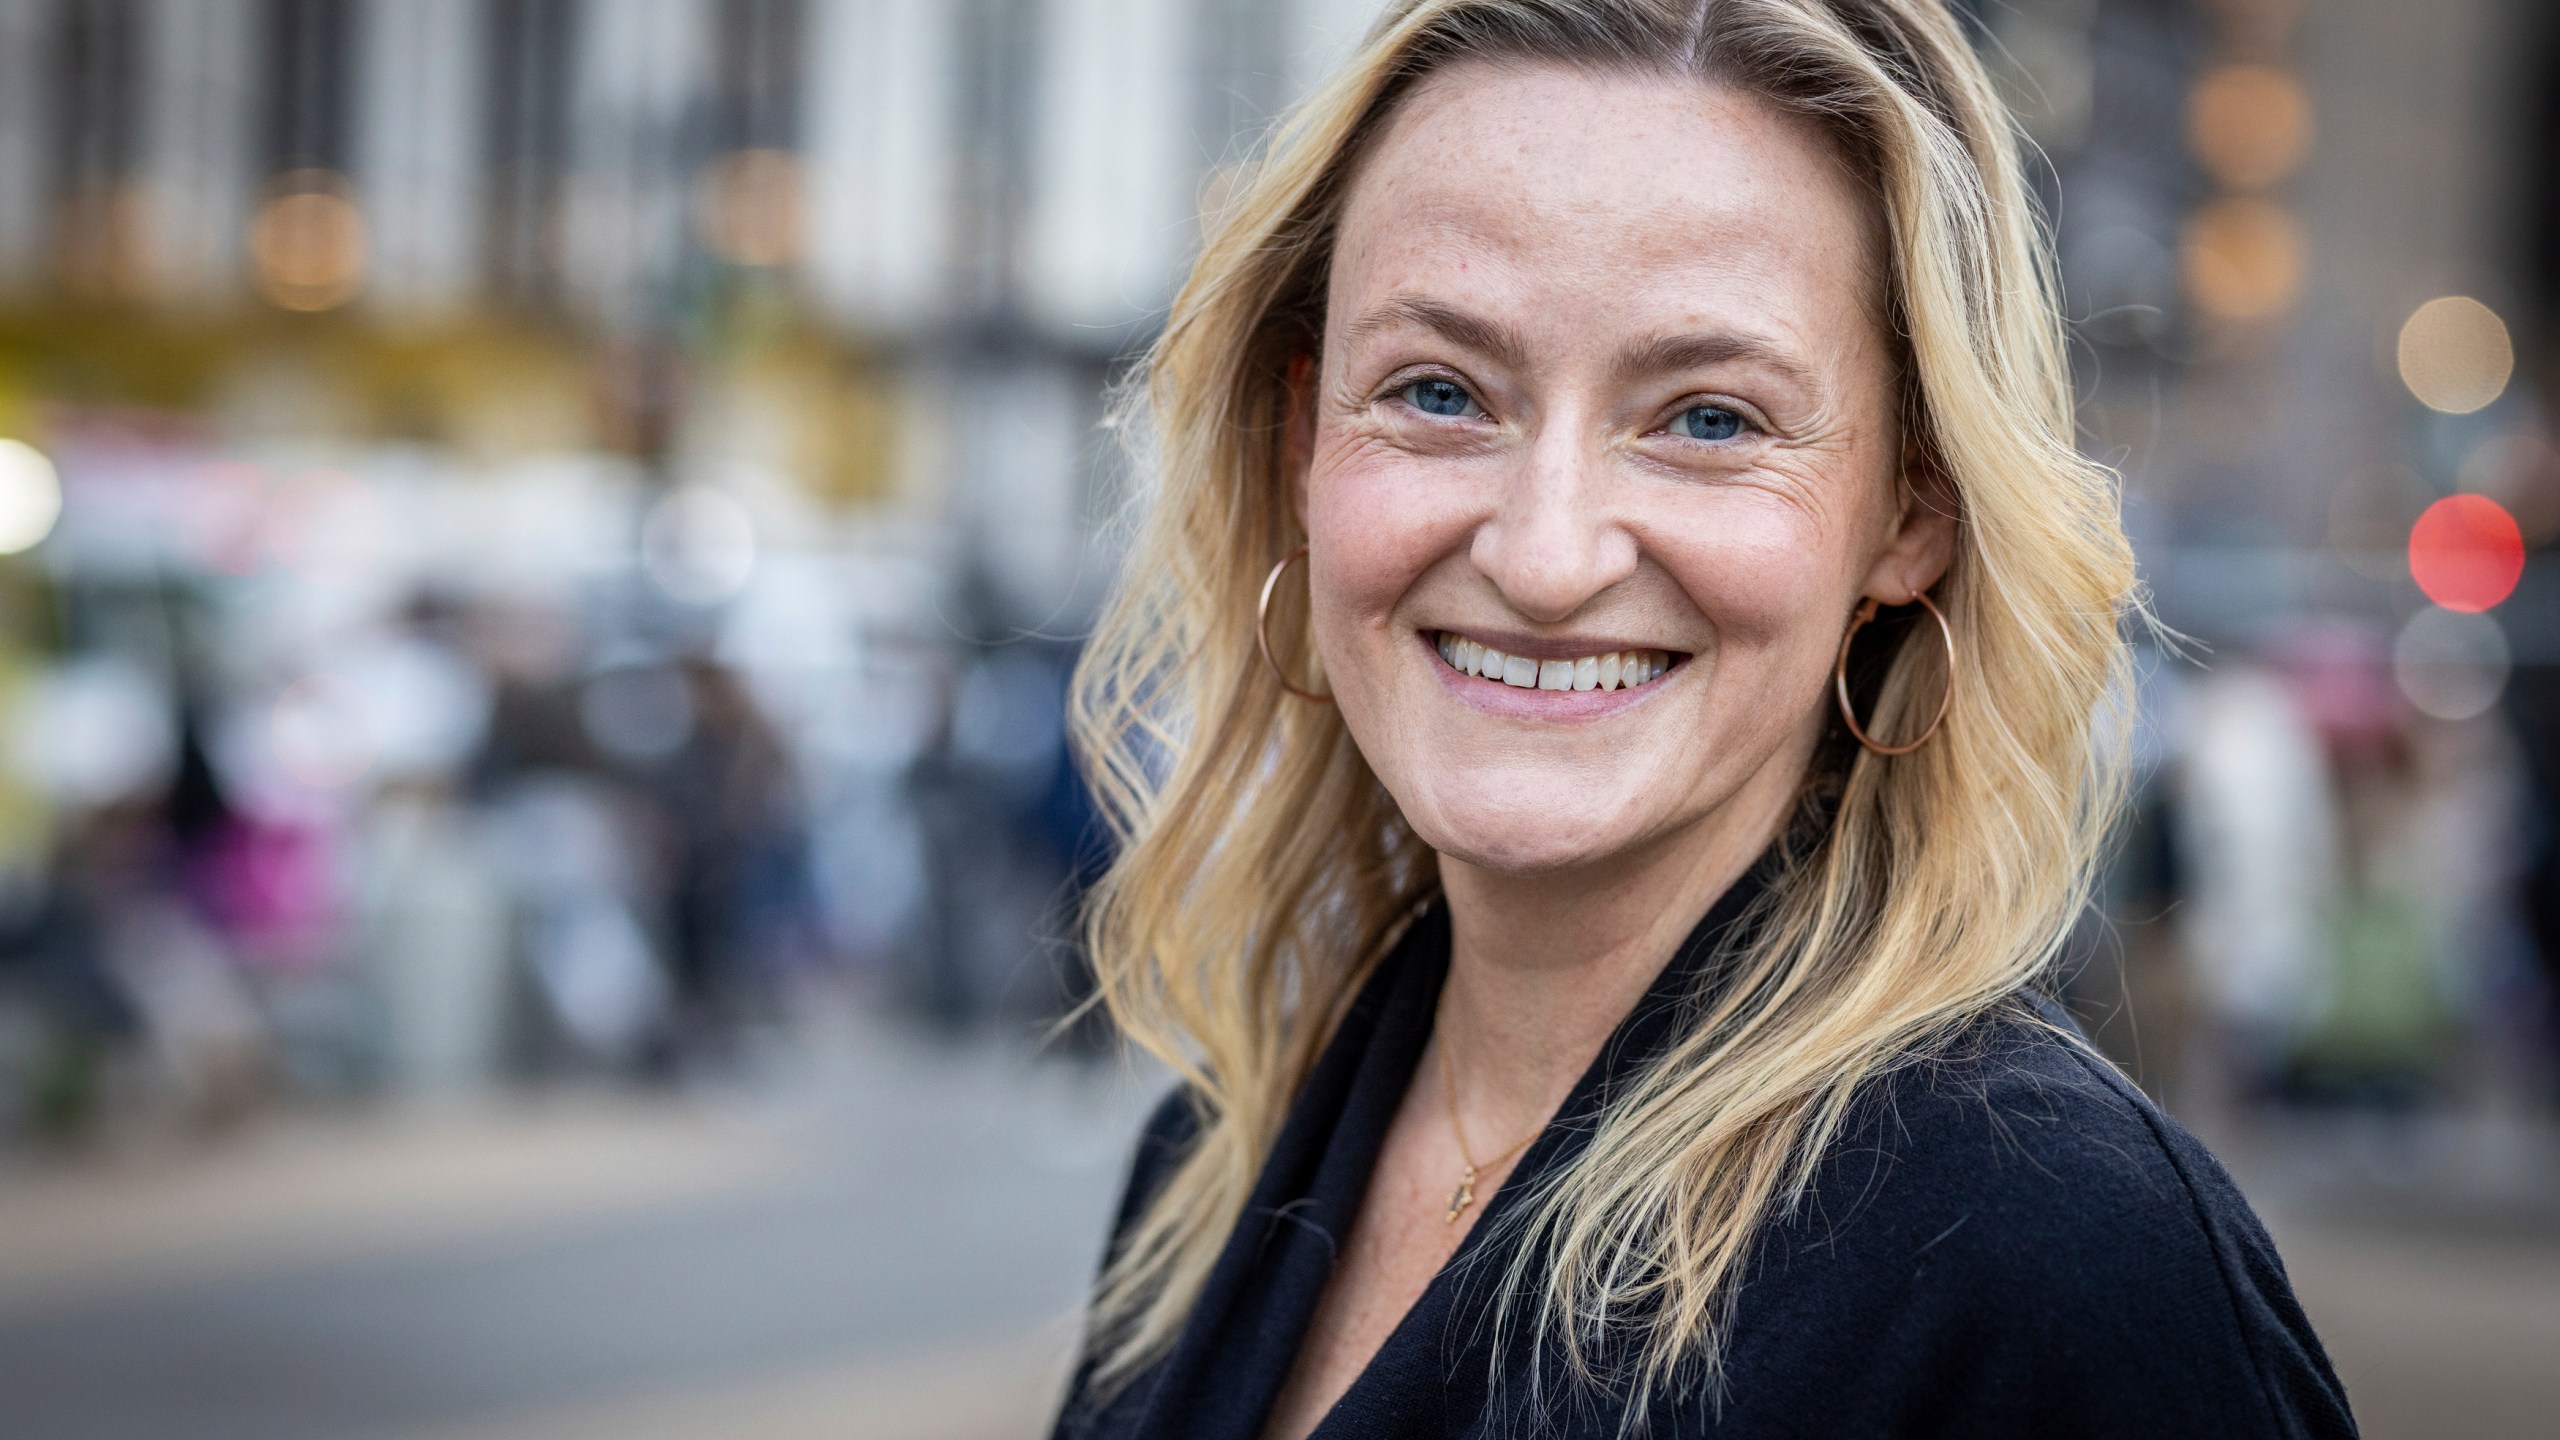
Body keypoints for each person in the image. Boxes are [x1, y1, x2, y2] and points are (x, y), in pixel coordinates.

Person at [1051, 2, 2356, 1436]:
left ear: (1910, 509)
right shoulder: (1213, 1169)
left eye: (1710, 419)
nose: (1547, 558)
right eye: (1438, 391)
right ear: (1306, 442)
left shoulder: (2062, 1267)